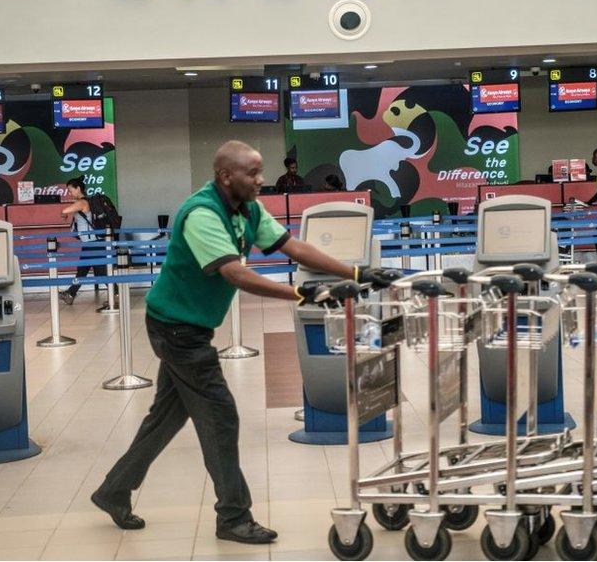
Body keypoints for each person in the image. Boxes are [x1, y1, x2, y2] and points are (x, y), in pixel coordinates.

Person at [91, 140, 397, 545]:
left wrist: (357, 273)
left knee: (166, 416)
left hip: (191, 327)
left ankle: (113, 491)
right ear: (225, 176)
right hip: (176, 329)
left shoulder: (247, 209)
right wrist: (305, 295)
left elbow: (293, 247)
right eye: (252, 173)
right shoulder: (202, 214)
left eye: (259, 171)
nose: (261, 179)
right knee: (221, 417)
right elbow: (235, 274)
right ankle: (233, 517)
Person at [58, 177, 106, 305]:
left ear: (78, 188)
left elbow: (65, 211)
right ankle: (70, 293)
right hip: (90, 243)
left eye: (70, 190)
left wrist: (64, 213)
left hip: (93, 243)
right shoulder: (82, 202)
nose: (69, 193)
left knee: (101, 272)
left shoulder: (83, 202)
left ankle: (117, 294)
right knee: (82, 270)